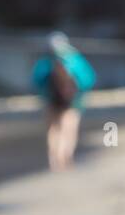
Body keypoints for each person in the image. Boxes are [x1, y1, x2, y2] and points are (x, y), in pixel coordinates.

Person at [32, 32, 95, 171]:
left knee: (53, 130)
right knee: (69, 130)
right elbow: (88, 79)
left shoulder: (45, 61)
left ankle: (54, 160)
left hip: (51, 100)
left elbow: (37, 81)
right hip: (72, 101)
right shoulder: (75, 59)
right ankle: (66, 157)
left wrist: (45, 95)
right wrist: (78, 93)